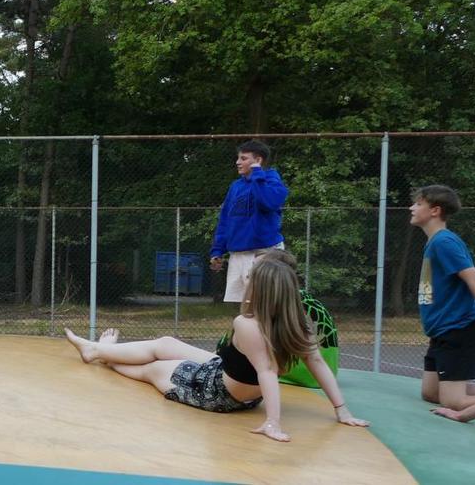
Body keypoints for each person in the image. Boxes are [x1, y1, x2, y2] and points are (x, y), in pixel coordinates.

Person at [65, 257, 368, 442]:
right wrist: (341, 410)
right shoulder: (296, 322)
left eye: (249, 277)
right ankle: (100, 349)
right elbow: (316, 362)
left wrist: (273, 422)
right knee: (165, 343)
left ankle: (99, 353)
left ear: (259, 290)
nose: (245, 279)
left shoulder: (247, 324)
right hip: (232, 381)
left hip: (217, 392)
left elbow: (267, 372)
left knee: (151, 369)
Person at [409, 185, 475, 413]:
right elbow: (459, 288)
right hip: (444, 330)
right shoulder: (435, 242)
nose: (412, 208)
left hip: (458, 328)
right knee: (431, 393)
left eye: (418, 204)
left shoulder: (443, 242)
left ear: (435, 211)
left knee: (453, 402)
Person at [216, 249, 339, 389]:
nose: (250, 273)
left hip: (305, 375)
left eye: (256, 267)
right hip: (320, 373)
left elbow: (226, 349)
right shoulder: (296, 299)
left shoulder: (285, 305)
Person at [210, 139, 289, 303]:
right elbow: (225, 220)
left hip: (264, 252)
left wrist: (257, 175)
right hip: (238, 254)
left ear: (258, 160)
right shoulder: (236, 186)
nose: (237, 162)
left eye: (244, 158)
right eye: (238, 158)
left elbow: (268, 202)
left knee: (263, 304)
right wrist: (217, 250)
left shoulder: (272, 182)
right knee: (243, 305)